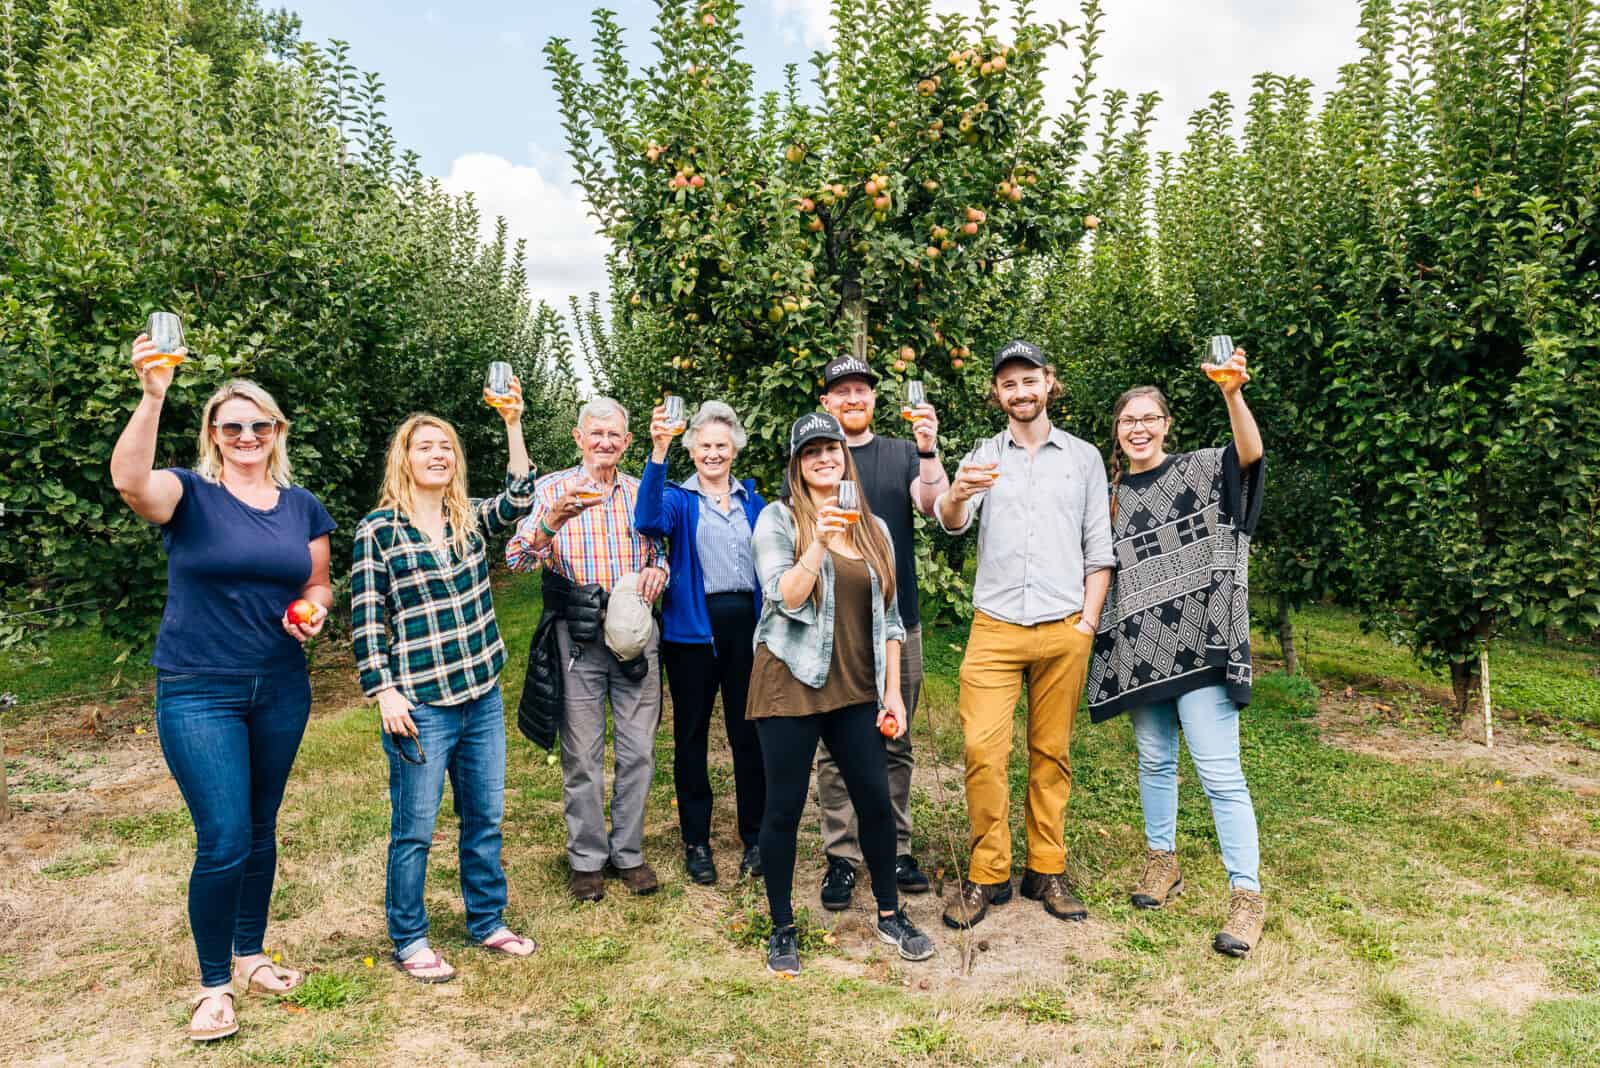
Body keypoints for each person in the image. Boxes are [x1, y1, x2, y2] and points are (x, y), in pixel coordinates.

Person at [110, 334, 334, 1042]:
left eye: (259, 425)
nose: (246, 436)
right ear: (213, 433)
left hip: (279, 685)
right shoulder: (188, 492)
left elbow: (316, 582)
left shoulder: (301, 506)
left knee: (260, 828)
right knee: (224, 836)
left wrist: (317, 612)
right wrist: (153, 395)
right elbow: (128, 482)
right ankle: (213, 987)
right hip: (199, 689)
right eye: (231, 425)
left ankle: (251, 955)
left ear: (277, 434)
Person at [350, 381, 539, 983]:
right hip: (421, 703)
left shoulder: (468, 519)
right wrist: (383, 691)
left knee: (484, 818)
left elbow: (518, 497)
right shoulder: (377, 530)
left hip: (480, 694)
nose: (438, 455)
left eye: (447, 448)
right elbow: (367, 618)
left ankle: (487, 921)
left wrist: (512, 422)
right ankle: (409, 938)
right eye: (425, 447)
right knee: (415, 830)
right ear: (403, 459)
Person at [1086, 346, 1267, 957]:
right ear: (1117, 431)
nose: (1138, 428)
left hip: (1200, 644)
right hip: (1142, 650)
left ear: (1165, 425)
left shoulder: (1199, 471)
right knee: (1155, 763)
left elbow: (1250, 456)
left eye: (1149, 418)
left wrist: (1232, 394)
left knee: (1220, 775)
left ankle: (1247, 897)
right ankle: (1162, 863)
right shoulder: (1107, 495)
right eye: (1127, 420)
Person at [935, 340, 1115, 930]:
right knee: (984, 751)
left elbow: (1099, 549)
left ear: (1048, 382)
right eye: (1008, 384)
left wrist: (1087, 624)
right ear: (997, 394)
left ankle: (1047, 867)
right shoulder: (984, 456)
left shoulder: (1083, 458)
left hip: (1064, 625)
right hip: (996, 626)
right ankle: (989, 874)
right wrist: (958, 493)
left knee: (1051, 753)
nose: (1020, 392)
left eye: (1029, 380)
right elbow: (953, 522)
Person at [748, 411, 935, 976]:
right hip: (790, 680)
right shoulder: (778, 521)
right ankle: (782, 926)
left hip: (856, 686)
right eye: (811, 453)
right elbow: (784, 596)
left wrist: (894, 695)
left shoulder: (874, 528)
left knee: (875, 802)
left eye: (831, 449)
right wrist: (820, 543)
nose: (824, 458)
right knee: (782, 809)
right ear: (797, 466)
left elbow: (892, 620)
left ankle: (889, 913)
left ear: (843, 457)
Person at [506, 398, 668, 902]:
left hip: (635, 634)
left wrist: (658, 570)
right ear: (579, 438)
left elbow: (661, 549)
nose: (605, 442)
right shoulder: (554, 489)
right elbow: (516, 559)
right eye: (596, 433)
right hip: (577, 634)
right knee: (582, 752)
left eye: (614, 435)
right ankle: (587, 857)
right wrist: (551, 520)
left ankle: (629, 851)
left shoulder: (642, 494)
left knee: (639, 749)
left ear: (627, 442)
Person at [812, 356, 948, 909]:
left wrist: (930, 448)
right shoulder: (814, 457)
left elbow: (936, 505)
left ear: (873, 398)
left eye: (860, 390)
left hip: (899, 619)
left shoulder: (899, 452)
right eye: (840, 391)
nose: (852, 399)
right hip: (834, 627)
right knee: (833, 748)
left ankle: (894, 848)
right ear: (826, 402)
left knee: (896, 736)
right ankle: (841, 858)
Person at [634, 400, 767, 885]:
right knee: (690, 738)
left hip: (746, 631)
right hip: (692, 632)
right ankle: (697, 841)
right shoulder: (677, 498)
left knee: (747, 735)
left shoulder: (754, 502)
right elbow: (646, 520)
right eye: (704, 445)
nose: (713, 453)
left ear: (734, 449)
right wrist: (658, 451)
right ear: (692, 450)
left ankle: (756, 838)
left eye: (721, 445)